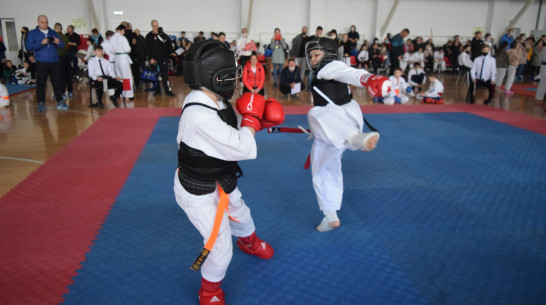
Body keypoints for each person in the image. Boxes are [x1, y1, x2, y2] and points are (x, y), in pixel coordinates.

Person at [176, 39, 282, 305]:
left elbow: (232, 133)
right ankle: (209, 291)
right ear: (217, 77)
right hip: (197, 189)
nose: (236, 79)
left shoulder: (214, 100)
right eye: (232, 74)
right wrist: (252, 120)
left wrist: (257, 122)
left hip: (221, 177)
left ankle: (248, 242)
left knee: (241, 212)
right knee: (220, 245)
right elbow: (243, 148)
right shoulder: (199, 115)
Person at [304, 37, 390, 232]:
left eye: (317, 55)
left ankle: (357, 139)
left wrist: (368, 78)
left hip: (338, 120)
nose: (314, 60)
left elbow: (349, 73)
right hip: (341, 121)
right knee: (322, 165)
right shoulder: (324, 70)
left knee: (315, 113)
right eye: (311, 56)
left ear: (330, 55)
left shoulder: (331, 67)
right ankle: (330, 215)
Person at [26, 15, 68, 112]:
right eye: (42, 22)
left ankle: (60, 101)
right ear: (38, 22)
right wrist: (41, 43)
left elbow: (62, 45)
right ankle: (41, 102)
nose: (45, 24)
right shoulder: (32, 33)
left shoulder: (53, 32)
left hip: (55, 61)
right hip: (41, 62)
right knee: (41, 83)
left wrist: (58, 42)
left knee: (57, 82)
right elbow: (28, 46)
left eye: (46, 22)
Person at [87, 44, 123, 109]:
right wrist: (97, 78)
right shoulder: (91, 61)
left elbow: (111, 72)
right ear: (94, 52)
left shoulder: (106, 61)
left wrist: (115, 77)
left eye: (101, 51)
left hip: (106, 77)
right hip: (97, 78)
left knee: (121, 85)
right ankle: (99, 101)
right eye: (98, 51)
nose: (100, 52)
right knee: (100, 85)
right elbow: (91, 73)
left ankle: (113, 97)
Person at [146, 20, 175, 96]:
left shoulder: (163, 35)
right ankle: (157, 90)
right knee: (155, 76)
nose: (155, 27)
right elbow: (148, 49)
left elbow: (167, 44)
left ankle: (168, 91)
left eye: (157, 25)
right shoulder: (148, 36)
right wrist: (150, 58)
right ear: (152, 26)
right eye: (154, 25)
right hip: (154, 59)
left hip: (162, 58)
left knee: (165, 76)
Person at [111, 24, 133, 102]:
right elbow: (127, 49)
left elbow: (111, 50)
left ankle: (121, 94)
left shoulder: (112, 38)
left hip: (116, 58)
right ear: (122, 30)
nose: (124, 33)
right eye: (124, 31)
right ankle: (127, 95)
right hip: (123, 58)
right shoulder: (122, 38)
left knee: (120, 77)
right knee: (126, 77)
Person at [54, 23, 72, 98]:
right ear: (61, 29)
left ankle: (62, 92)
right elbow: (68, 47)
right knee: (68, 74)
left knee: (60, 76)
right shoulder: (65, 37)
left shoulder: (54, 37)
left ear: (55, 28)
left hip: (59, 58)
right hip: (66, 57)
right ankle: (70, 91)